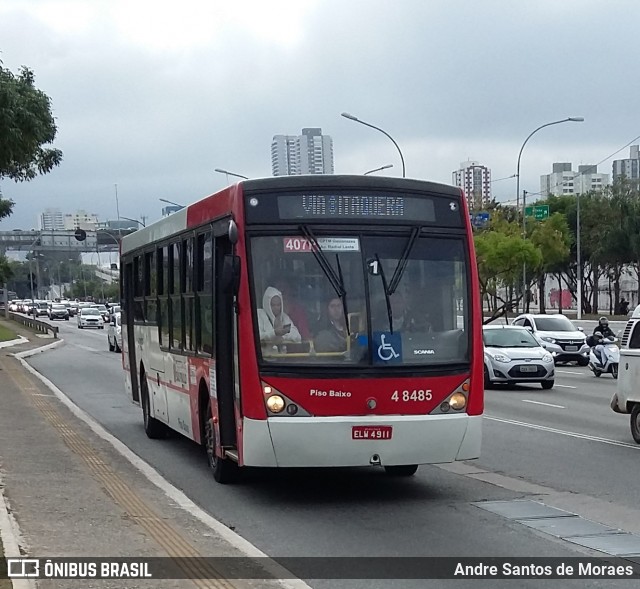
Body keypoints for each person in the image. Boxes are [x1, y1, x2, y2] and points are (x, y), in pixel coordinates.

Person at [257, 286, 301, 350]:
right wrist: (274, 333)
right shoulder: (259, 315)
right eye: (273, 305)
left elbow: (297, 336)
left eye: (278, 305)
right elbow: (257, 336)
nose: (276, 308)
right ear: (267, 304)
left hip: (281, 358)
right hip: (263, 358)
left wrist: (283, 337)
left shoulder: (284, 317)